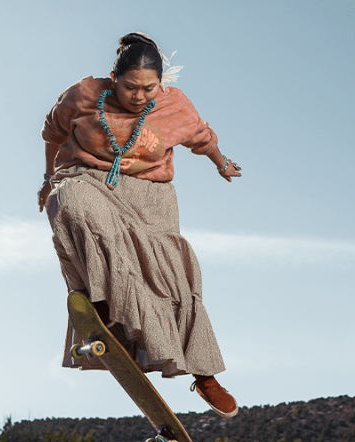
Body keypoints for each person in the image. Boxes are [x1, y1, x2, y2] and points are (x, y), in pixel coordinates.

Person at [38, 33, 240, 418]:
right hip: (90, 179)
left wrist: (221, 162)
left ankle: (205, 374)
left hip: (152, 197)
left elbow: (202, 137)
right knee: (72, 203)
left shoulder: (174, 105)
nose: (138, 95)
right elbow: (52, 133)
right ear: (113, 77)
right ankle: (104, 309)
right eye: (130, 87)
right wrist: (49, 178)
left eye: (149, 88)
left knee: (171, 278)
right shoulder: (82, 95)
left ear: (160, 84)